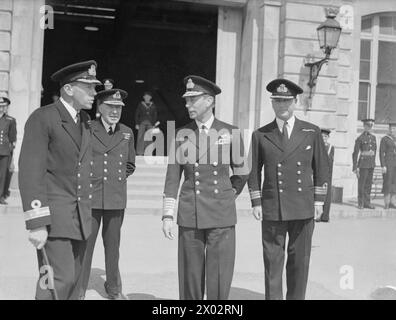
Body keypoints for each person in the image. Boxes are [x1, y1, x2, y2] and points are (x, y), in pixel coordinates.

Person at [18, 60, 101, 300]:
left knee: (75, 284)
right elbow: (31, 171)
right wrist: (37, 223)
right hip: (54, 220)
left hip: (80, 219)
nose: (94, 93)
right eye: (89, 87)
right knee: (55, 283)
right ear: (69, 89)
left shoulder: (84, 121)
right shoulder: (43, 118)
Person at [162, 75, 248, 300]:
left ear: (209, 101)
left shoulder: (231, 132)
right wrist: (167, 215)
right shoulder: (181, 134)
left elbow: (242, 171)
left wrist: (228, 195)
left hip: (221, 213)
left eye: (193, 99)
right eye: (186, 100)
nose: (187, 104)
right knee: (190, 275)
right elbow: (173, 177)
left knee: (219, 275)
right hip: (190, 212)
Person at [247, 78, 330, 300]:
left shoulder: (311, 132)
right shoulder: (261, 134)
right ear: (272, 103)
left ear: (295, 102)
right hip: (273, 207)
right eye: (277, 101)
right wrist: (256, 201)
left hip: (303, 208)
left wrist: (319, 202)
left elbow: (322, 168)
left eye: (286, 101)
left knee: (299, 262)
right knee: (272, 263)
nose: (281, 106)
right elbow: (253, 171)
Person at [80, 88, 136, 300]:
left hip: (115, 197)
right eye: (111, 107)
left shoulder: (127, 132)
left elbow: (130, 164)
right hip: (91, 196)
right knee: (86, 246)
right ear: (100, 107)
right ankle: (79, 290)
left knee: (113, 247)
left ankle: (114, 288)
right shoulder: (87, 128)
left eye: (119, 108)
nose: (115, 111)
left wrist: (115, 179)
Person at [352, 119, 377, 209]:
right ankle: (360, 203)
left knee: (368, 184)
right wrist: (355, 167)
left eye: (370, 126)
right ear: (364, 127)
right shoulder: (360, 138)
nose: (369, 128)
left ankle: (367, 202)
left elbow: (374, 151)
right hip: (362, 164)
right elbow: (355, 153)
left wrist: (373, 163)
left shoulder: (373, 138)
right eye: (367, 126)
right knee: (361, 184)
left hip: (371, 164)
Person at [0, 97, 16, 204]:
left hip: (4, 151)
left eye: (4, 106)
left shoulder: (10, 120)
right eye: (0, 106)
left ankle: (0, 196)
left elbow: (12, 139)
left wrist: (11, 156)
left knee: (2, 175)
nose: (1, 108)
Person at [379, 123, 396, 209]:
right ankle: (386, 203)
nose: (393, 130)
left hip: (395, 164)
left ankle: (392, 202)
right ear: (389, 130)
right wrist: (383, 165)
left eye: (394, 129)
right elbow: (381, 153)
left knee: (394, 183)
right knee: (387, 183)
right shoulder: (385, 139)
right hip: (388, 164)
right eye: (391, 129)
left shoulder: (395, 139)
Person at [320, 128, 335, 222]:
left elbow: (331, 163)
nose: (324, 138)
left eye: (325, 136)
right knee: (317, 195)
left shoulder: (330, 147)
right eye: (322, 136)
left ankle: (325, 216)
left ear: (328, 137)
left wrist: (329, 176)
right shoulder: (317, 146)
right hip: (317, 174)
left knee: (327, 196)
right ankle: (317, 216)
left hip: (326, 174)